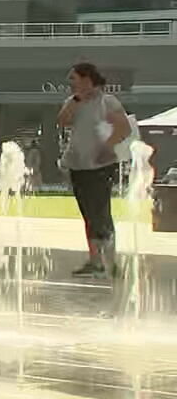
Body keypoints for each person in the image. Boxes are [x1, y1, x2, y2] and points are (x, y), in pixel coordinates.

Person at [59, 62, 131, 278]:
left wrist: (106, 148)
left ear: (87, 79)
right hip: (78, 164)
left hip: (100, 165)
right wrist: (76, 100)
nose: (70, 82)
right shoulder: (73, 102)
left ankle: (111, 261)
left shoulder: (107, 102)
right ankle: (94, 260)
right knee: (88, 214)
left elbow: (124, 128)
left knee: (101, 213)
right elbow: (62, 121)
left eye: (74, 78)